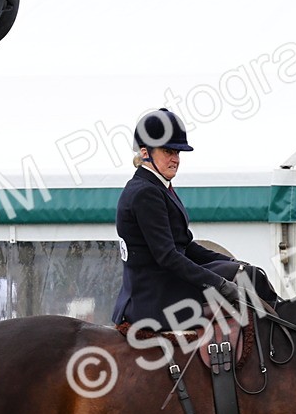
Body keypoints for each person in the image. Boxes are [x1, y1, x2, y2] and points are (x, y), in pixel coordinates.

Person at [111, 108, 280, 329]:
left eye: (178, 153)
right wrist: (219, 283)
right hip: (155, 295)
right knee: (249, 277)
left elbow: (186, 246)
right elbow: (168, 257)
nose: (175, 159)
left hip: (167, 281)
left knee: (247, 273)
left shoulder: (159, 186)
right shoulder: (146, 192)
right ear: (145, 153)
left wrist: (232, 263)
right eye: (168, 152)